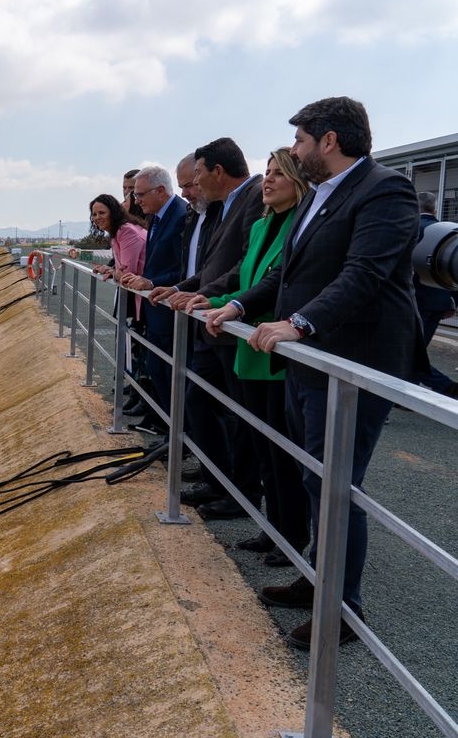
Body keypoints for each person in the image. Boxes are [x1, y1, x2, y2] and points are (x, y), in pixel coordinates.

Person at [203, 96, 426, 649]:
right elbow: (284, 274)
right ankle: (317, 582)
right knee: (313, 477)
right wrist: (237, 307)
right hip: (308, 363)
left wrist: (299, 323)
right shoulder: (319, 198)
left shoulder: (384, 190)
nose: (294, 151)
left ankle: (342, 614)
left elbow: (364, 275)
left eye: (300, 141)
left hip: (352, 363)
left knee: (336, 485)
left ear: (328, 140)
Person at [188, 148, 311, 566]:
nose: (268, 180)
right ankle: (273, 528)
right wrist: (211, 300)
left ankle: (291, 538)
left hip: (275, 355)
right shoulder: (261, 226)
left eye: (280, 174)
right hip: (249, 350)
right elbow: (245, 278)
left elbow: (276, 284)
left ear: (299, 181)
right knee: (263, 448)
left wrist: (233, 306)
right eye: (268, 173)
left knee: (282, 455)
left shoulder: (299, 225)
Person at [153, 138, 265, 519]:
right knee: (200, 401)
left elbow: (246, 266)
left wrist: (208, 296)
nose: (194, 186)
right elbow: (213, 264)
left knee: (238, 417)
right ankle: (217, 480)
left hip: (230, 321)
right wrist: (183, 289)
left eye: (197, 175)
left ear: (218, 171)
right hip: (210, 318)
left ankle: (241, 493)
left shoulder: (252, 199)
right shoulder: (223, 206)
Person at [118, 166, 187, 423]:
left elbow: (184, 269)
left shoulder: (180, 216)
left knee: (170, 376)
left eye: (140, 194)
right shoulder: (158, 217)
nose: (136, 201)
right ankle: (167, 429)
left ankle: (175, 435)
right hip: (156, 312)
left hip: (170, 313)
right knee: (157, 371)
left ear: (160, 190)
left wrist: (150, 282)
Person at [412, 191, 458, 396]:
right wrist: (452, 301)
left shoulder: (412, 230)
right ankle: (407, 394)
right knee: (417, 350)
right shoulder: (449, 234)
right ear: (435, 209)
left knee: (409, 352)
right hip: (439, 302)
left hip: (414, 302)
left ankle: (445, 386)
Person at [89, 194, 147, 318]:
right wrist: (114, 271)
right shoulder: (118, 231)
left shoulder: (126, 231)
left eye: (102, 213)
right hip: (137, 296)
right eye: (94, 214)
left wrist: (112, 271)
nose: (97, 217)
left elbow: (126, 274)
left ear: (113, 212)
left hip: (143, 298)